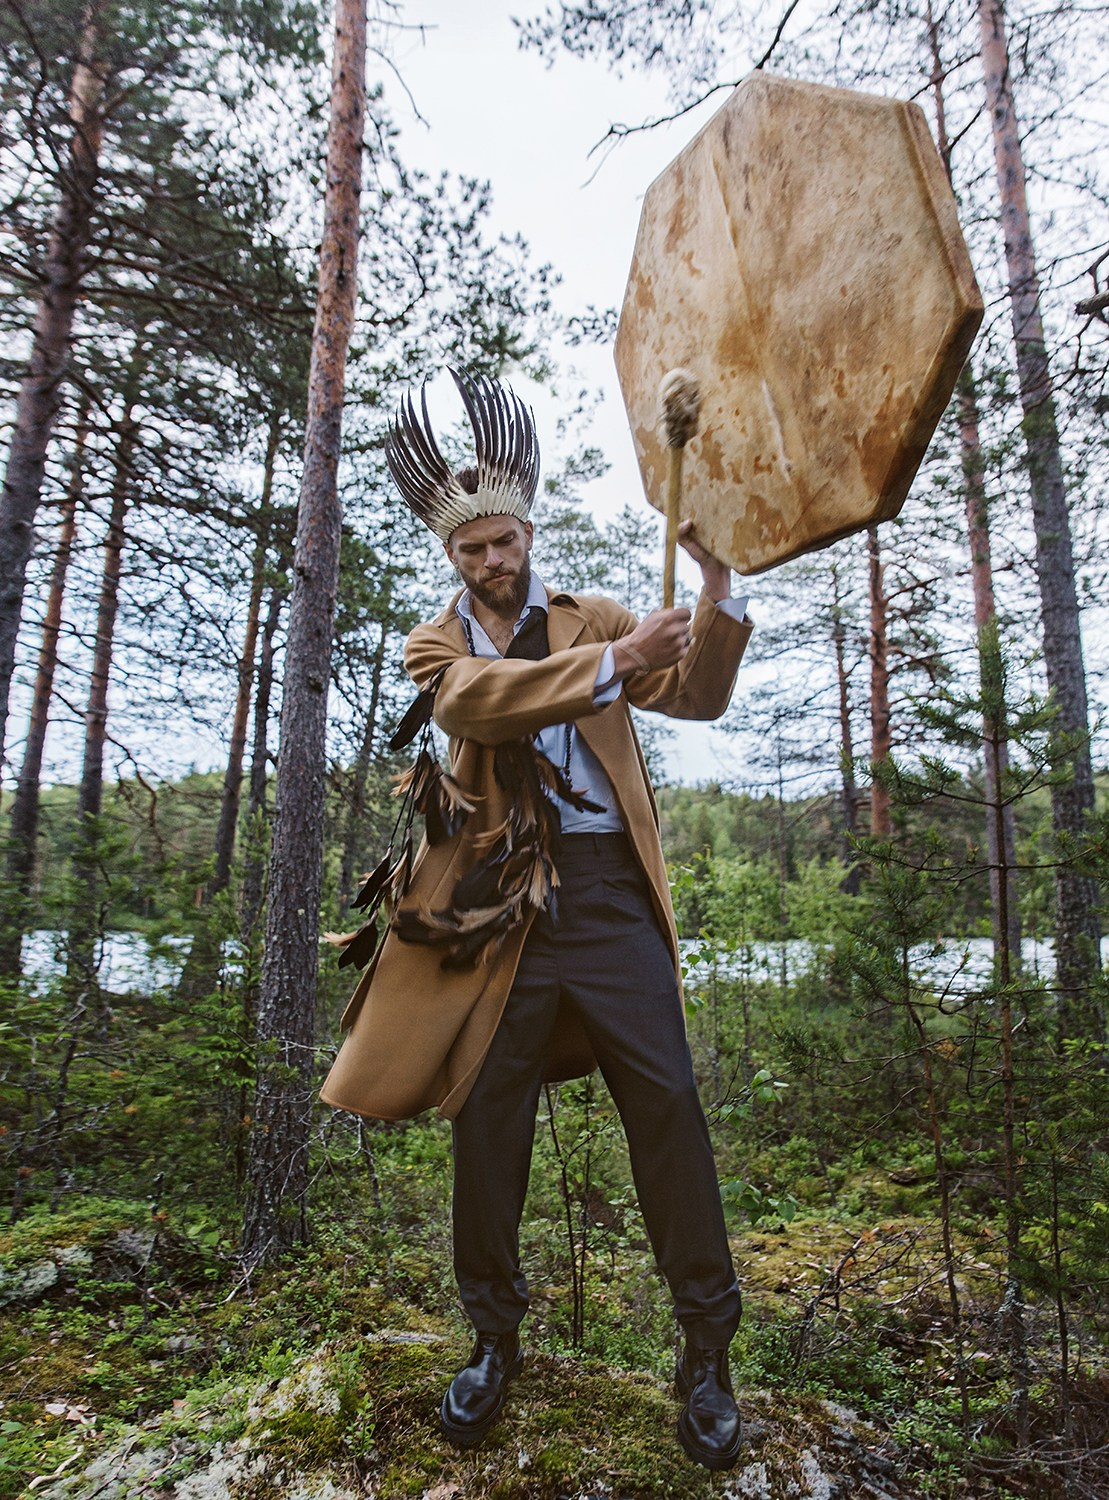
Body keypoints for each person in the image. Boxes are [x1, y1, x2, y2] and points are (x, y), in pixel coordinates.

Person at [321, 368, 753, 1472]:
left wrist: (717, 595)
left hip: (605, 891)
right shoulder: (439, 646)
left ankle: (706, 1352)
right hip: (494, 908)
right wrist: (610, 665)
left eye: (502, 542)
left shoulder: (593, 613)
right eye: (469, 551)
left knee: (665, 1102)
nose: (490, 562)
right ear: (450, 557)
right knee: (488, 1116)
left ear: (525, 531)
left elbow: (696, 695)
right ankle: (492, 1339)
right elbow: (476, 703)